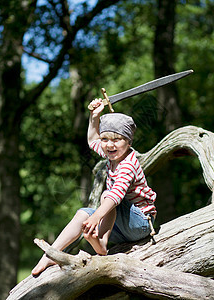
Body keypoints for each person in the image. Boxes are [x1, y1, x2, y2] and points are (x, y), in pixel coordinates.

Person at [31, 98, 157, 277]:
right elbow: (92, 140)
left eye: (117, 139)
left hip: (141, 223)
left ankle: (102, 243)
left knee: (109, 195)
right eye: (105, 139)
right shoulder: (111, 154)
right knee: (82, 213)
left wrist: (96, 217)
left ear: (129, 142)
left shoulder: (128, 164)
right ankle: (51, 254)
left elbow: (116, 195)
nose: (109, 144)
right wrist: (94, 116)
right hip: (121, 227)